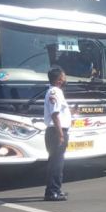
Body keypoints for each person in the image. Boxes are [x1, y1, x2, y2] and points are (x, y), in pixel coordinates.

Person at [43, 67, 72, 201]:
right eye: (63, 77)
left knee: (55, 162)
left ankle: (54, 190)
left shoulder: (53, 91)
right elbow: (55, 115)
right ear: (59, 80)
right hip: (56, 132)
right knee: (57, 163)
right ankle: (53, 192)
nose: (65, 80)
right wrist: (60, 134)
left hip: (55, 131)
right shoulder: (55, 92)